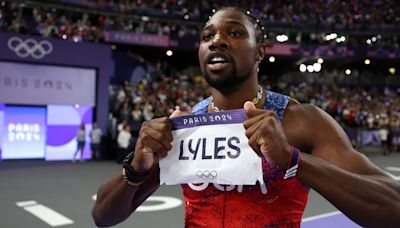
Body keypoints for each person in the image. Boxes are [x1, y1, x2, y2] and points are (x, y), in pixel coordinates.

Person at [92, 7, 400, 227]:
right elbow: (102, 216)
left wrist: (293, 160)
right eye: (207, 36)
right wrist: (135, 168)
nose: (217, 41)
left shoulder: (300, 121)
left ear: (260, 52)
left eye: (235, 33)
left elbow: (393, 207)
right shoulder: (184, 129)